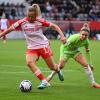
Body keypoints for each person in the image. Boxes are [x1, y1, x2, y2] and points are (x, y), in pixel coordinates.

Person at [0, 4, 66, 89]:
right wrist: (0, 35)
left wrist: (62, 36)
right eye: (29, 16)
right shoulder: (22, 22)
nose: (30, 18)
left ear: (36, 16)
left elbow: (55, 26)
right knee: (29, 62)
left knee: (52, 67)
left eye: (32, 17)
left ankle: (58, 70)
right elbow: (9, 30)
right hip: (32, 48)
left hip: (43, 46)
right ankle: (44, 81)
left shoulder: (40, 21)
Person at [47, 23, 100, 88]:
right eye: (82, 34)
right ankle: (49, 78)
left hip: (75, 52)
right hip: (66, 51)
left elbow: (87, 52)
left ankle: (93, 83)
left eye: (86, 35)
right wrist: (61, 56)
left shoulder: (87, 42)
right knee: (60, 66)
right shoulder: (74, 37)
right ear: (80, 33)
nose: (84, 36)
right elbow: (63, 46)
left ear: (88, 36)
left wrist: (90, 63)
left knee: (86, 65)